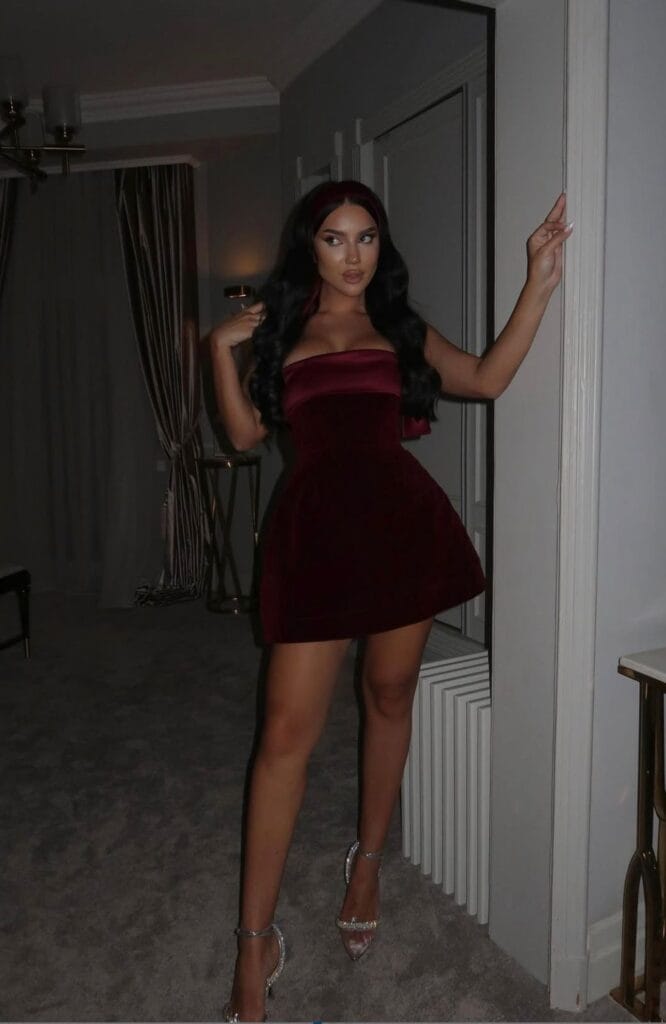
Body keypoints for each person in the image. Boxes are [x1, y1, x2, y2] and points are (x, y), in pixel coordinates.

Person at [209, 180, 571, 1022]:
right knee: (283, 738)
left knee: (390, 694)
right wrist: (216, 350)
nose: (352, 256)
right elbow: (244, 434)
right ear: (309, 246)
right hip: (314, 541)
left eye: (366, 237)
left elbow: (486, 378)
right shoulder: (282, 331)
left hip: (402, 532)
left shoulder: (399, 328)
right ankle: (254, 942)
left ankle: (367, 863)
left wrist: (538, 280)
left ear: (382, 245)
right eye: (334, 238)